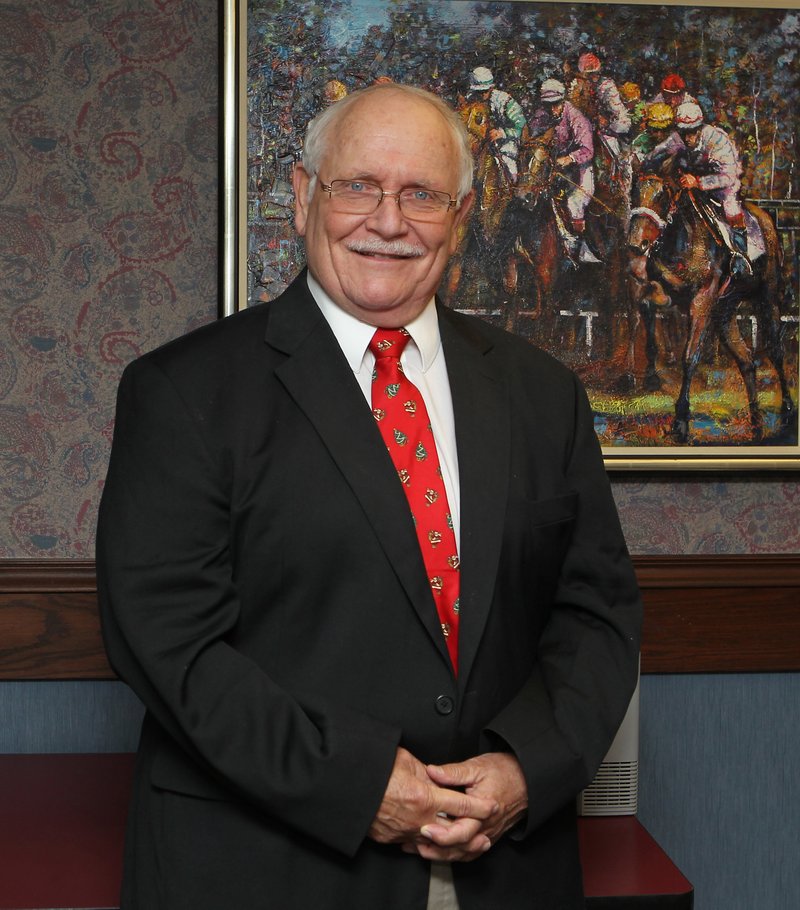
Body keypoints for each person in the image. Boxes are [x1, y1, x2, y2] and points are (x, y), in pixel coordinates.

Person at [96, 83, 641, 910]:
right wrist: (353, 782)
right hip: (265, 869)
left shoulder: (543, 393)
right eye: (359, 186)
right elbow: (171, 649)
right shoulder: (183, 392)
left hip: (508, 867)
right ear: (304, 195)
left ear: (460, 218)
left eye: (421, 194)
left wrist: (530, 766)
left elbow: (594, 615)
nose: (388, 222)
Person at [674, 100, 752, 276]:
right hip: (691, 187)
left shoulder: (717, 139)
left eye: (691, 133)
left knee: (731, 209)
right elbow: (661, 152)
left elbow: (728, 176)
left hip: (722, 188)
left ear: (700, 128)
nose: (687, 138)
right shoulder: (678, 139)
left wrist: (699, 182)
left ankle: (739, 258)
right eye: (683, 133)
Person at [528, 78, 597, 260]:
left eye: (555, 104)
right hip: (553, 169)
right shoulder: (541, 115)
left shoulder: (576, 118)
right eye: (547, 104)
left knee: (574, 203)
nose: (552, 109)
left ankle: (579, 250)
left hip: (580, 170)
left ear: (562, 101)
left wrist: (569, 158)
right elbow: (532, 135)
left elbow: (588, 150)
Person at [466, 65, 527, 183]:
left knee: (507, 168)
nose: (482, 95)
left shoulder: (505, 101)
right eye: (478, 92)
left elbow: (520, 126)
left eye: (485, 91)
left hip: (504, 143)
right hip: (480, 142)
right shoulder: (471, 100)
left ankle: (510, 192)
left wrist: (502, 133)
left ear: (491, 88)